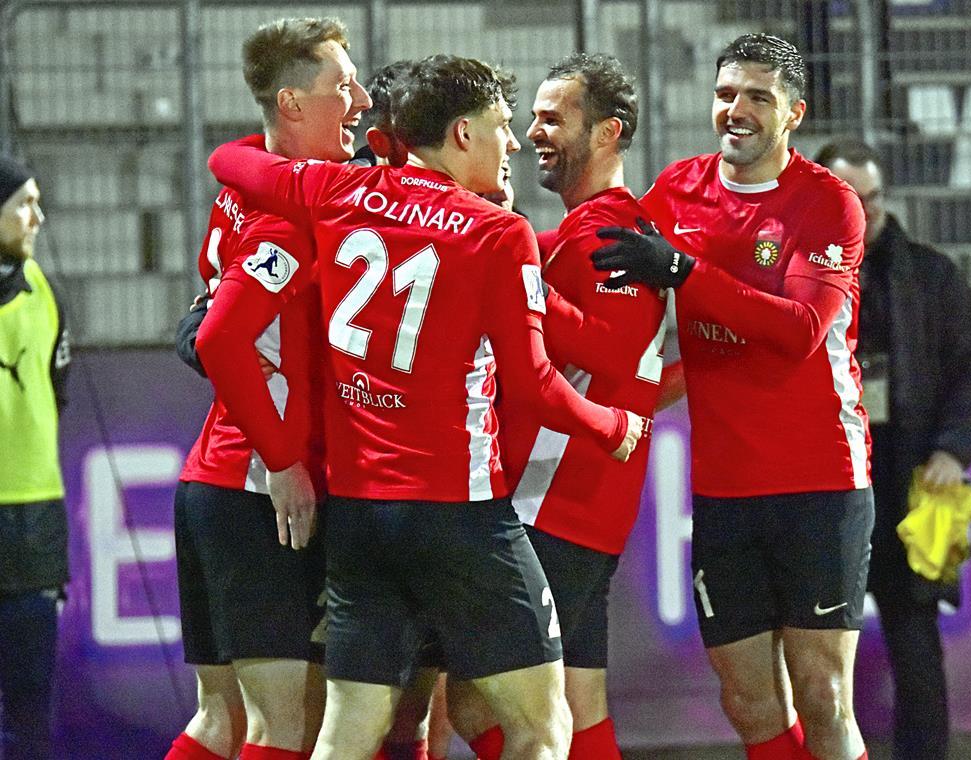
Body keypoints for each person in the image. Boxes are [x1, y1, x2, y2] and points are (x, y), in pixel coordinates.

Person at [207, 54, 645, 760]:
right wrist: (612, 425)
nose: (512, 142)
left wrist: (237, 147)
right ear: (463, 134)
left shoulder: (336, 191)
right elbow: (532, 381)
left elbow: (235, 164)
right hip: (459, 514)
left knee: (350, 727)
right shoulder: (495, 233)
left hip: (358, 515)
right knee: (544, 726)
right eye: (502, 126)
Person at [592, 33, 872, 760]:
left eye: (758, 97)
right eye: (725, 95)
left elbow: (803, 329)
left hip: (821, 482)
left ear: (794, 114)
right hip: (723, 488)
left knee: (825, 696)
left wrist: (684, 270)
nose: (736, 110)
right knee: (748, 701)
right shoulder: (679, 191)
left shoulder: (828, 204)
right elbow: (601, 252)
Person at [445, 52, 666, 760]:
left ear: (608, 133)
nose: (535, 131)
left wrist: (517, 286)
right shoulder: (583, 228)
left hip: (559, 500)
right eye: (531, 117)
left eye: (553, 117)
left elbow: (607, 351)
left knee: (477, 698)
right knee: (577, 699)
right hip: (574, 495)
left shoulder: (615, 234)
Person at [165, 17, 372, 760]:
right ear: (291, 103)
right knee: (283, 729)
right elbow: (221, 337)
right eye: (340, 87)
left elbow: (215, 311)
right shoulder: (287, 222)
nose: (360, 98)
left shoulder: (242, 183)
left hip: (211, 481)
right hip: (257, 491)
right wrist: (285, 460)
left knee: (219, 723)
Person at [815, 138, 971, 760]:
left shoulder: (930, 274)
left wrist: (953, 450)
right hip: (823, 484)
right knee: (809, 651)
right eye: (852, 201)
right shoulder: (784, 263)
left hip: (907, 474)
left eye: (875, 200)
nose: (868, 216)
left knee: (915, 640)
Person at [0, 155, 70, 760]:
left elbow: (58, 389)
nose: (37, 217)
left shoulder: (42, 288)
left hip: (32, 524)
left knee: (30, 715)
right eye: (23, 203)